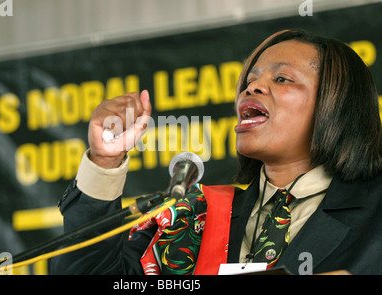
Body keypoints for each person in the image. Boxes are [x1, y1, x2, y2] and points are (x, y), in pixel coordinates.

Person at [50, 29, 382, 275]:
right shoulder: (194, 218)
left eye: (282, 78)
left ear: (338, 103)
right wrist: (105, 161)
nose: (252, 88)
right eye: (249, 81)